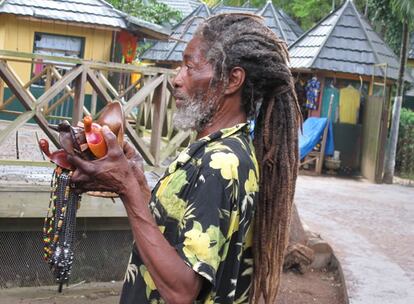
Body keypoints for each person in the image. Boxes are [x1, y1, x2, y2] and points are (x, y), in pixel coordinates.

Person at [68, 13, 301, 304]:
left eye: (190, 67)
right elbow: (178, 232)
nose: (176, 80)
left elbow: (182, 290)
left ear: (232, 80)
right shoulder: (218, 150)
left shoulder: (221, 164)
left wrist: (128, 189)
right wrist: (136, 180)